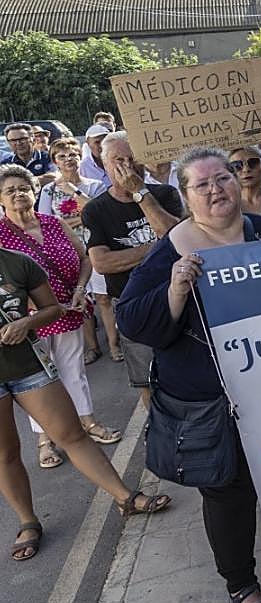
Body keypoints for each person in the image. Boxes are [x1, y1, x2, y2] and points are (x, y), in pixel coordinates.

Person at [116, 146, 261, 603]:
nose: (216, 190)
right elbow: (130, 319)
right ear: (186, 195)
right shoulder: (172, 249)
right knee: (229, 491)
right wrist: (174, 290)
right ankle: (241, 583)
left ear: (237, 181)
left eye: (223, 178)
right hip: (211, 401)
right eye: (202, 184)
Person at [0, 240, 170, 563]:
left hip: (29, 367)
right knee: (5, 453)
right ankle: (28, 522)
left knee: (72, 435)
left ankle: (125, 498)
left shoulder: (17, 262)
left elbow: (53, 309)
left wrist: (25, 323)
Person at [0, 163, 122, 471]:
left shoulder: (54, 223)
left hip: (67, 309)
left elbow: (84, 256)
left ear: (35, 190)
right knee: (35, 381)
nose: (18, 195)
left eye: (23, 188)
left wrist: (81, 289)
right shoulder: (0, 235)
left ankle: (88, 423)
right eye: (10, 190)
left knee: (73, 370)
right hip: (27, 321)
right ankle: (45, 441)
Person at [82, 132, 183, 408]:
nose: (128, 166)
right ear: (104, 166)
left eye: (133, 159)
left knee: (185, 370)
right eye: (118, 160)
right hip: (132, 304)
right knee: (146, 379)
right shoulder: (96, 210)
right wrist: (158, 249)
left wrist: (141, 194)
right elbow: (102, 263)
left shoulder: (165, 194)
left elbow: (178, 238)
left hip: (176, 297)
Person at [37, 138, 105, 364]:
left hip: (96, 245)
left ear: (80, 156)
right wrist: (79, 220)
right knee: (81, 299)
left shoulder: (93, 185)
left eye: (73, 154)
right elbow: (46, 223)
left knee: (104, 298)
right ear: (55, 161)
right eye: (62, 156)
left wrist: (73, 191)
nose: (68, 160)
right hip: (69, 252)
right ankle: (93, 347)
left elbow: (98, 214)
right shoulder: (48, 190)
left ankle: (115, 343)